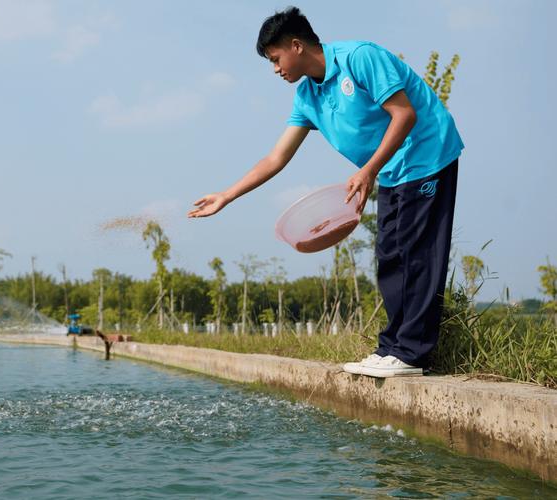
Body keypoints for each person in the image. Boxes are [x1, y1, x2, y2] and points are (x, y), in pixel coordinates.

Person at [187, 6, 463, 378]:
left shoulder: (359, 57)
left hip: (427, 153)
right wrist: (227, 195)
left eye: (275, 58)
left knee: (417, 253)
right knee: (390, 254)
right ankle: (392, 349)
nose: (275, 69)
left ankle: (413, 353)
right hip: (391, 170)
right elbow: (276, 157)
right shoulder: (307, 97)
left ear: (296, 45)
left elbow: (405, 115)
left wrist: (367, 171)